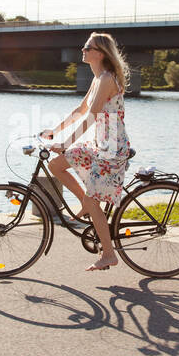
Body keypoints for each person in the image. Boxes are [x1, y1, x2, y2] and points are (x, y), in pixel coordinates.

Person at [41, 32, 133, 271]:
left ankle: (109, 255)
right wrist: (55, 131)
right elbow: (82, 109)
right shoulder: (98, 79)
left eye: (87, 47)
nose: (82, 50)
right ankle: (85, 201)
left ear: (99, 53)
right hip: (99, 145)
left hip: (111, 150)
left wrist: (65, 143)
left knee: (94, 203)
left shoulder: (107, 79)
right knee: (56, 165)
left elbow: (92, 116)